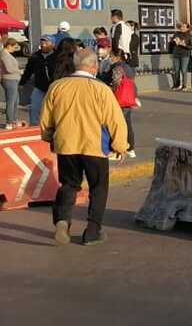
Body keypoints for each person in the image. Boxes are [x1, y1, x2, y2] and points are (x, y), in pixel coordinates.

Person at [39, 47, 129, 246]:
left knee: (69, 184)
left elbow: (46, 118)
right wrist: (120, 145)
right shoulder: (101, 89)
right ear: (94, 66)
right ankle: (92, 232)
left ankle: (62, 220)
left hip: (67, 144)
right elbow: (115, 120)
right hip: (94, 146)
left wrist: (48, 136)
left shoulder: (57, 86)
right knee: (98, 187)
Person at [107, 49, 138, 159]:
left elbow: (115, 83)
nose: (110, 58)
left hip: (119, 100)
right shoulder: (129, 68)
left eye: (111, 56)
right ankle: (131, 148)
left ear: (116, 57)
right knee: (128, 125)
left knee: (117, 126)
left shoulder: (116, 68)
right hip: (128, 99)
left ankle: (118, 151)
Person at [19, 35, 54, 125]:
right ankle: (34, 126)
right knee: (34, 108)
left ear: (52, 44)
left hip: (53, 88)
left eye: (46, 43)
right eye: (42, 43)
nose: (43, 45)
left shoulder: (57, 56)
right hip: (39, 88)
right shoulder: (35, 56)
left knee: (53, 110)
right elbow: (28, 71)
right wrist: (22, 83)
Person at [1, 37, 21, 128]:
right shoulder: (5, 55)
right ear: (9, 46)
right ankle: (9, 122)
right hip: (9, 80)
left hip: (12, 79)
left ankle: (14, 120)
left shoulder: (6, 54)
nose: (15, 49)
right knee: (11, 101)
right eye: (14, 47)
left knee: (15, 101)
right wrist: (19, 71)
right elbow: (9, 69)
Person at [170, 23, 192, 90]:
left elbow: (191, 46)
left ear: (187, 28)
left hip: (185, 55)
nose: (182, 28)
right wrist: (174, 41)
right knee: (176, 70)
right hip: (176, 54)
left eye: (184, 27)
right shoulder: (176, 34)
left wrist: (184, 45)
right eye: (181, 26)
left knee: (183, 69)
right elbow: (171, 43)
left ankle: (184, 85)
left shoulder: (189, 36)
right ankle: (177, 85)